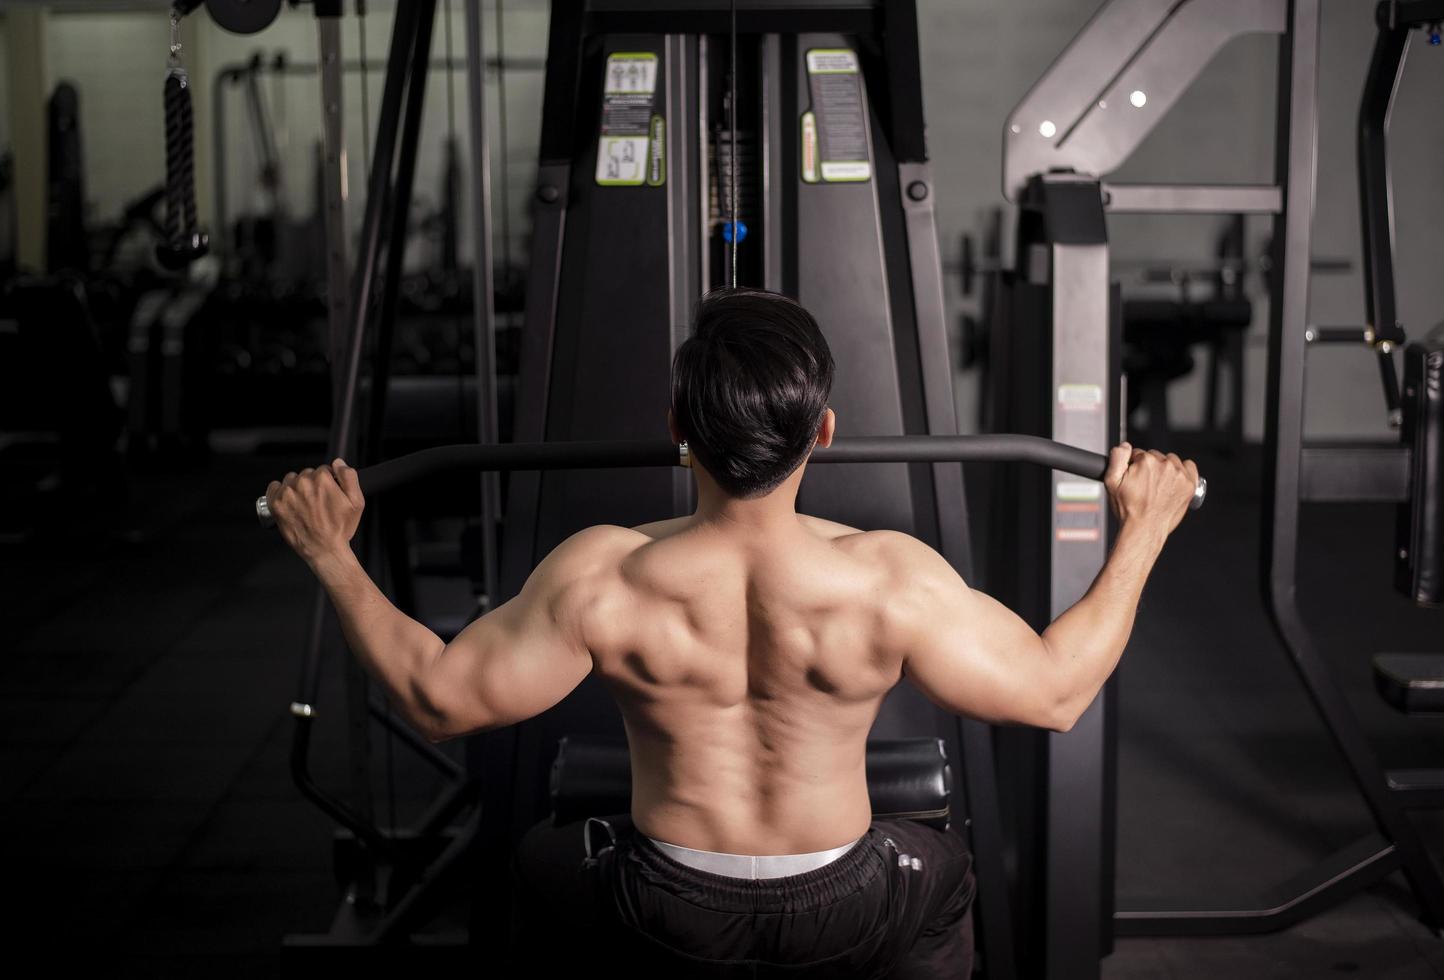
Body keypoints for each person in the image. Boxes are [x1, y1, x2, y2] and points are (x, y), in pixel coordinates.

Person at [263, 287, 1199, 978]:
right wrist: (1145, 528)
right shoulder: (888, 577)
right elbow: (1055, 691)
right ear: (823, 432)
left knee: (541, 873)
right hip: (850, 907)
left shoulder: (605, 574)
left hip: (664, 904)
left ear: (678, 429)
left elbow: (438, 700)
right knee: (944, 873)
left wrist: (332, 554)